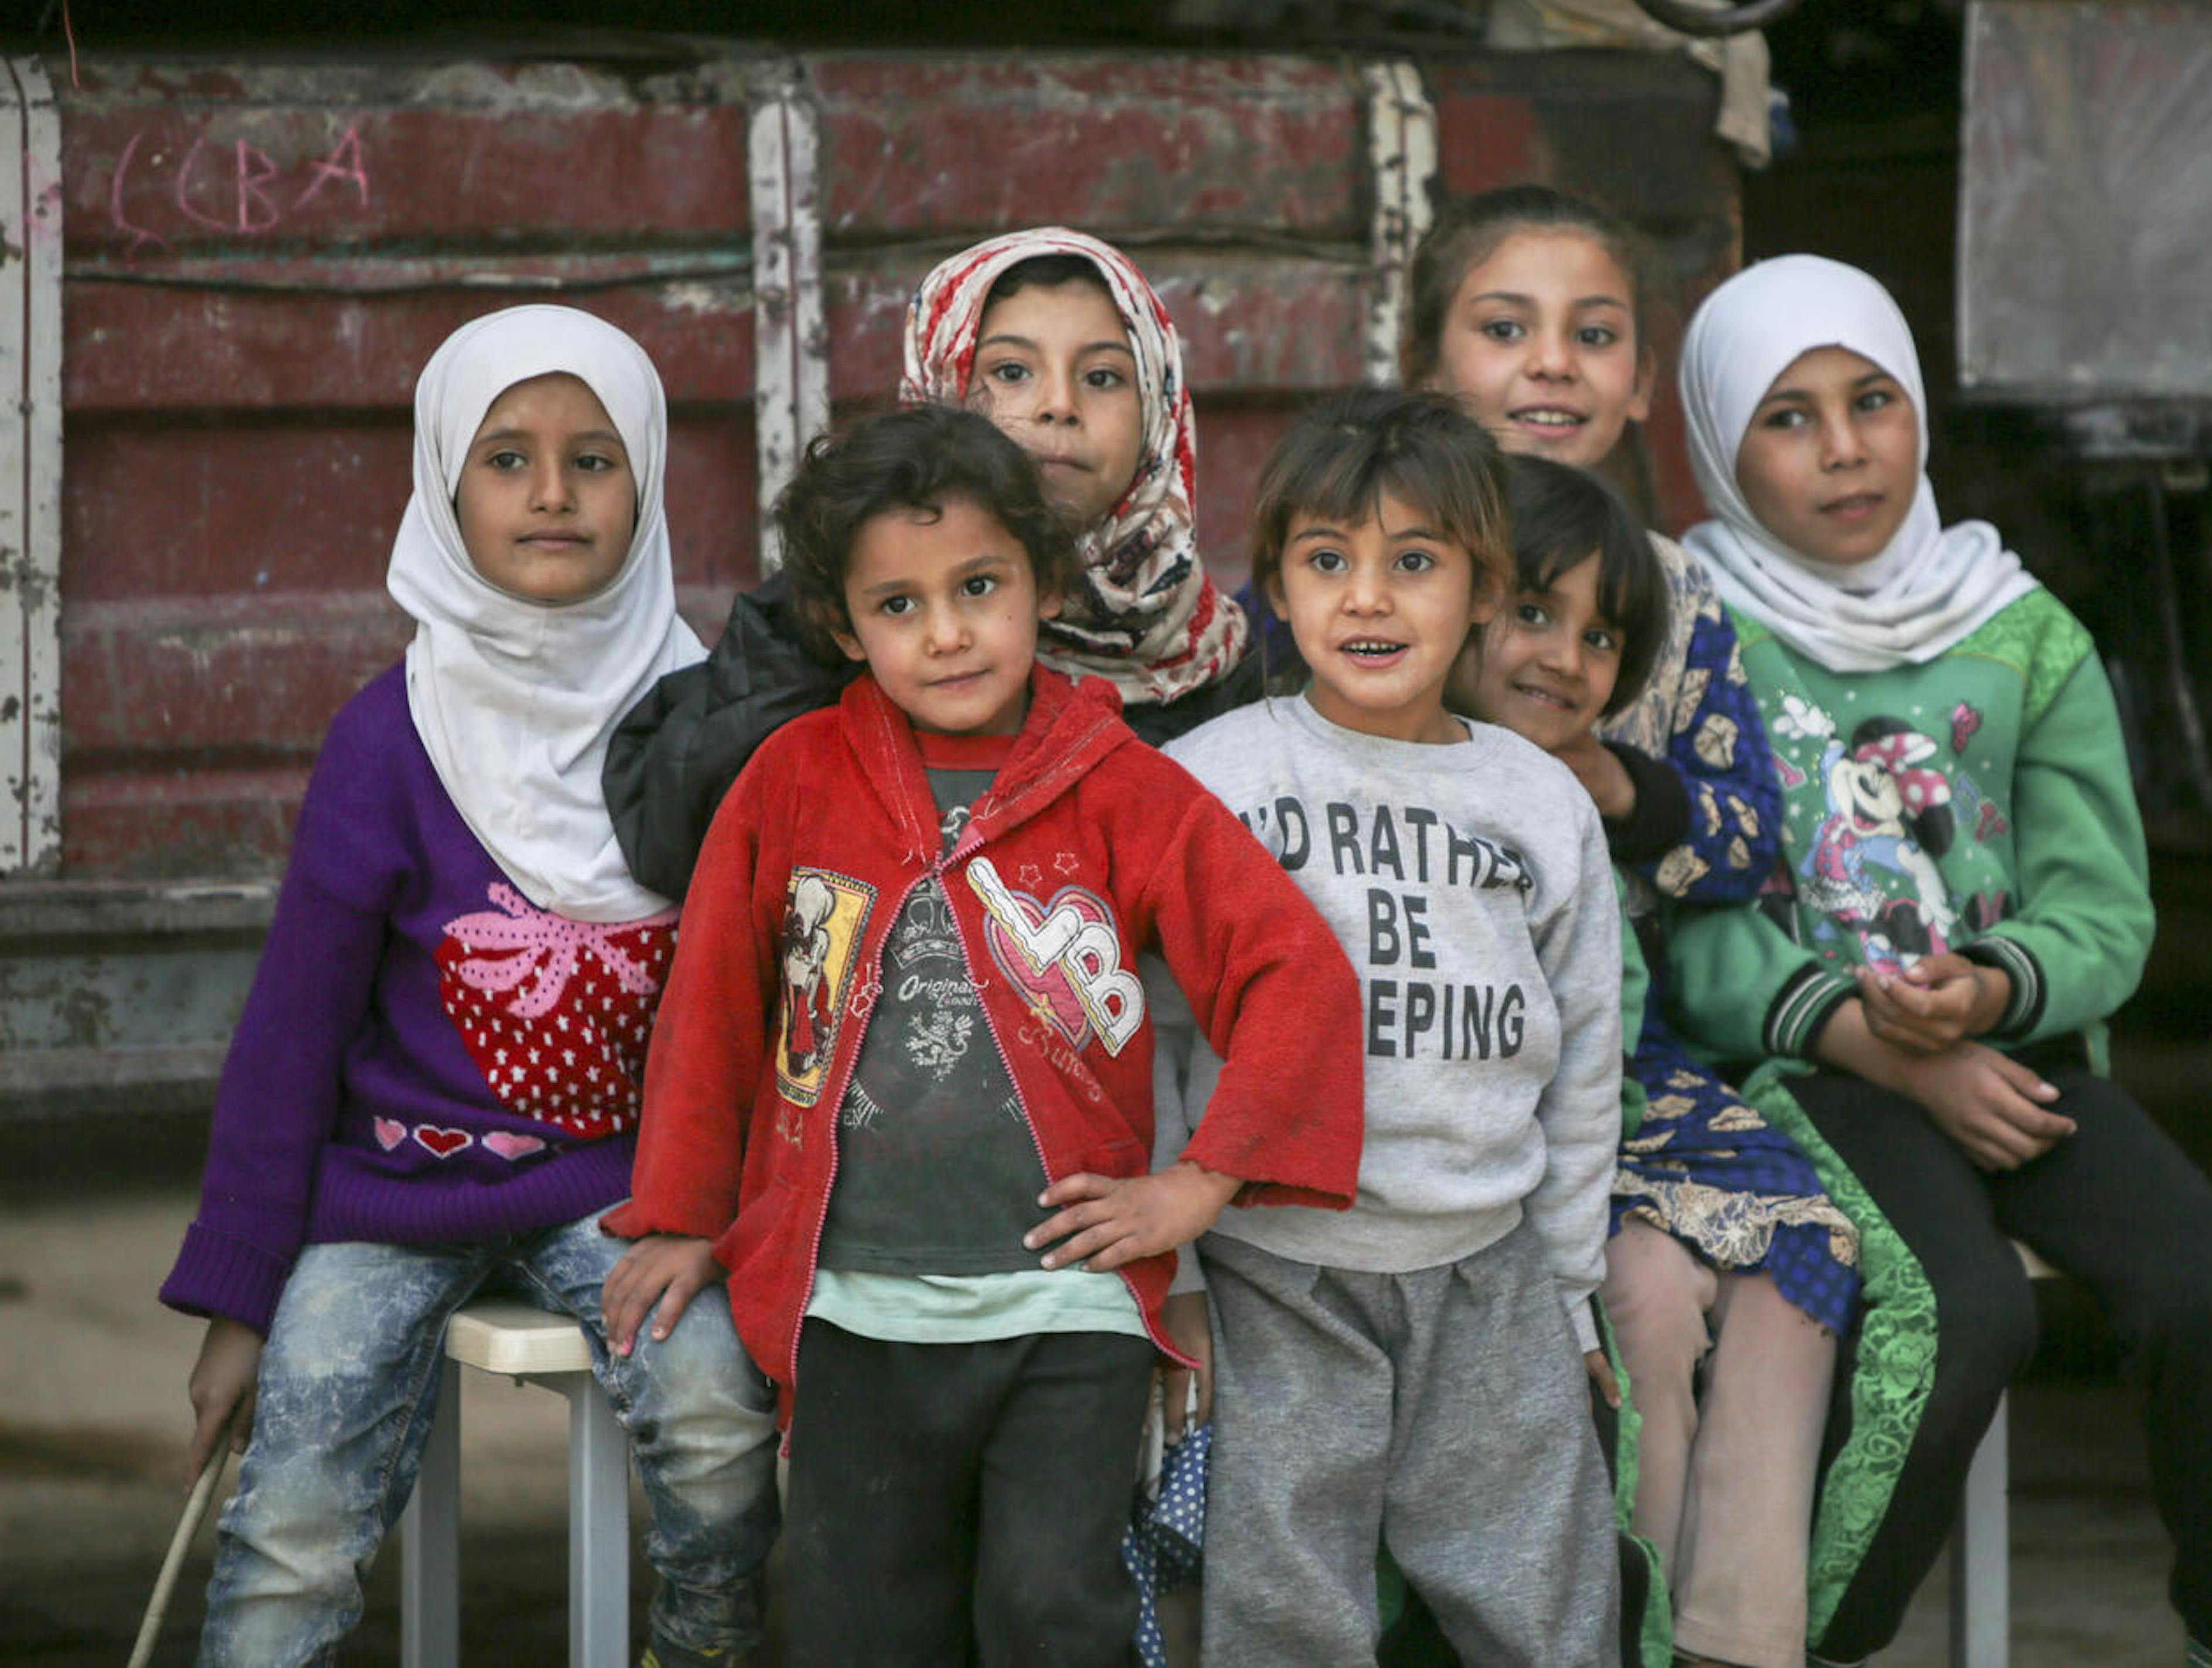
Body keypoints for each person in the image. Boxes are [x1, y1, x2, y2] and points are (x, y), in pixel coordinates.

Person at [597, 404, 1365, 1666]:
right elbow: (717, 1005)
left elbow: (1290, 970)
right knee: (861, 1623)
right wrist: (681, 1211)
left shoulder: (1121, 786)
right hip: (854, 1301)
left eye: (979, 586)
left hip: (1067, 1304)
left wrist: (1198, 1182)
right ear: (843, 626)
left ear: (1044, 584)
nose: (946, 631)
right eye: (897, 606)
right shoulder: (793, 777)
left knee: (1049, 1611)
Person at [1662, 256, 2212, 1668]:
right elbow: (1685, 918)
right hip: (1808, 1065)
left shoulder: (2020, 633)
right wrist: (1884, 1035)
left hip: (2010, 1053)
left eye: (1872, 400)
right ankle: (1814, 1637)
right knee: (1963, 1310)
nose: (1844, 447)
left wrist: (1987, 993)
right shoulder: (1690, 631)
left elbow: (2104, 908)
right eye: (1787, 416)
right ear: (1719, 444)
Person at [157, 305, 781, 1668]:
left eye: (594, 457)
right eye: (507, 456)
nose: (552, 492)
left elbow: (762, 999)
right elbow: (293, 1028)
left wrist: (733, 1216)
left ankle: (710, 1643)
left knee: (722, 1413)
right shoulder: (389, 734)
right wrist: (241, 1299)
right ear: (445, 487)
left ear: (652, 481)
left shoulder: (708, 723)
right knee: (298, 1491)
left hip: (630, 1186)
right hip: (392, 1183)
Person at [1160, 389, 1627, 1666]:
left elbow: (1586, 1055)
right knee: (1286, 1604)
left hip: (1490, 1272)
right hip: (1276, 1268)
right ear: (1278, 588)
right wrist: (1182, 1275)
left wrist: (1573, 1291)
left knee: (1545, 1603)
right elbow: (1146, 1033)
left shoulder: (1536, 801)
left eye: (1413, 563)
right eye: (1329, 563)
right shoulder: (1215, 784)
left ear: (1484, 589)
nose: (1368, 599)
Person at [1447, 455, 1861, 1668]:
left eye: (1601, 638)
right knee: (1647, 1297)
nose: (1563, 659)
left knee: (1802, 1258)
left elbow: (1620, 1012)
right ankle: (1636, 1632)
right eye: (1532, 612)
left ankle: (1738, 1640)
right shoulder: (1387, 772)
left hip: (1627, 1092)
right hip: (1502, 1133)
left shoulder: (1589, 799)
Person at [604, 226, 1256, 901]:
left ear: (1160, 405)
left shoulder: (1213, 659)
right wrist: (819, 650)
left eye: (1102, 377)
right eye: (1010, 372)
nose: (1059, 405)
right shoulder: (834, 608)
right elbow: (670, 835)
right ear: (940, 385)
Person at [1241, 182, 1783, 913]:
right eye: (1505, 330)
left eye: (1594, 336)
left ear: (1642, 382)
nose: (1553, 362)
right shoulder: (1349, 559)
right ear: (1422, 367)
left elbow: (1749, 837)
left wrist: (1622, 791)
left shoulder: (1674, 586)